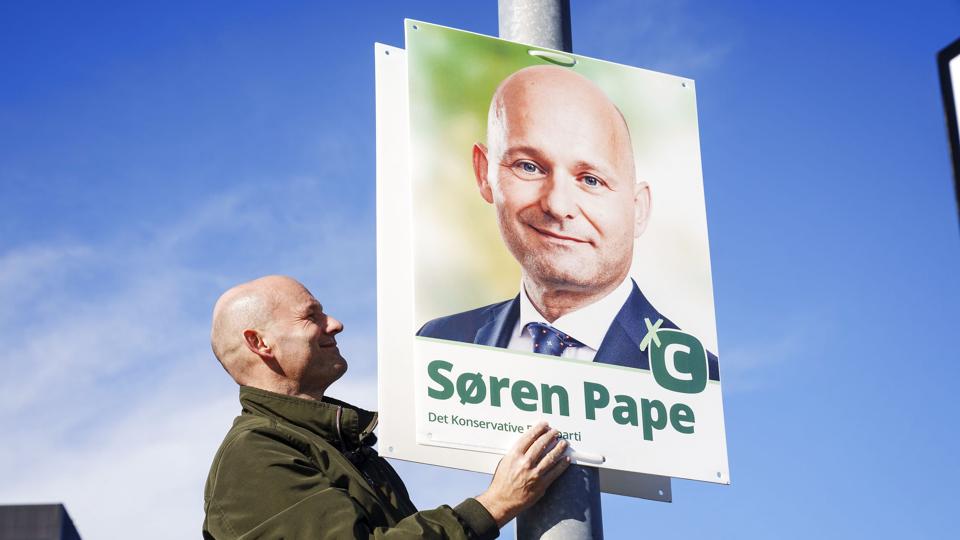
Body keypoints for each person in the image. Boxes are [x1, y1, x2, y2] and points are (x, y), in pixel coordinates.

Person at [203, 275, 570, 539]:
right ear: (260, 343)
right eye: (310, 315)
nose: (335, 324)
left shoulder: (335, 445)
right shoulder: (254, 454)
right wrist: (494, 505)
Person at [417, 65, 719, 381]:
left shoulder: (698, 378)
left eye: (591, 179)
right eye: (529, 167)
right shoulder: (440, 341)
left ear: (638, 209)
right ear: (484, 173)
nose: (558, 206)